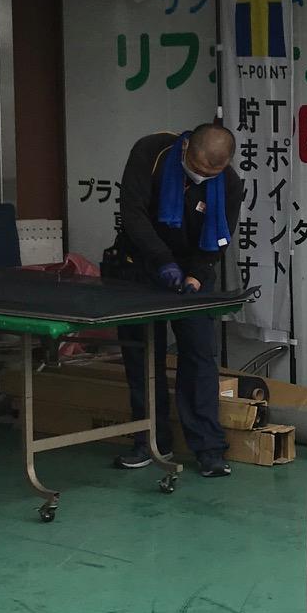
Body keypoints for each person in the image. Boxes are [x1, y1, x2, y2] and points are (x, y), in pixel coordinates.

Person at [109, 122, 244, 478]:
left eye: (211, 173)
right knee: (142, 355)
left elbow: (221, 236)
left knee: (199, 356)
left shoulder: (229, 183)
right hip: (142, 263)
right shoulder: (151, 153)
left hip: (193, 269)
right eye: (198, 169)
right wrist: (162, 262)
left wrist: (197, 274)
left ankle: (209, 448)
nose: (202, 177)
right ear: (186, 149)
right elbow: (133, 214)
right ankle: (150, 441)